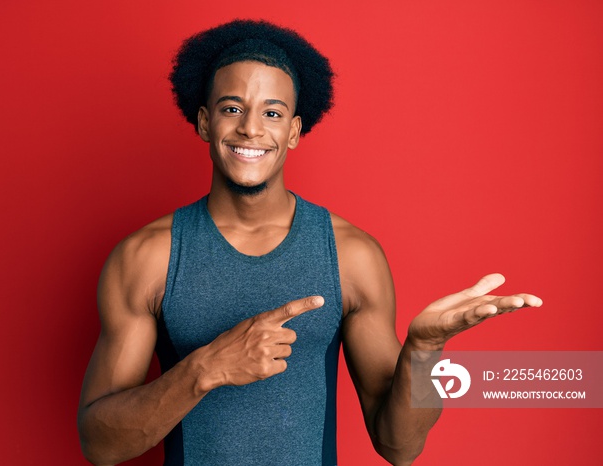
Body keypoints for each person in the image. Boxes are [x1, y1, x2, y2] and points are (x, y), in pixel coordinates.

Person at [77, 19, 542, 466]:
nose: (251, 129)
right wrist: (206, 368)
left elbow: (400, 447)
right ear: (204, 122)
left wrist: (423, 353)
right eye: (232, 108)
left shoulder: (352, 255)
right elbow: (100, 445)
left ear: (294, 131)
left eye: (272, 113)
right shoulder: (147, 257)